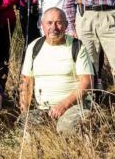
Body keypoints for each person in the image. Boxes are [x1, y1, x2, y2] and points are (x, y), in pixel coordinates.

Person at [18, 8, 94, 136]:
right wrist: (24, 113)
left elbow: (87, 82)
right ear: (41, 25)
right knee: (26, 126)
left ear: (66, 25)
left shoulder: (76, 46)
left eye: (58, 23)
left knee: (66, 128)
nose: (54, 27)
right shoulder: (33, 47)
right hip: (44, 108)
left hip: (74, 106)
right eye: (49, 23)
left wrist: (64, 105)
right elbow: (26, 82)